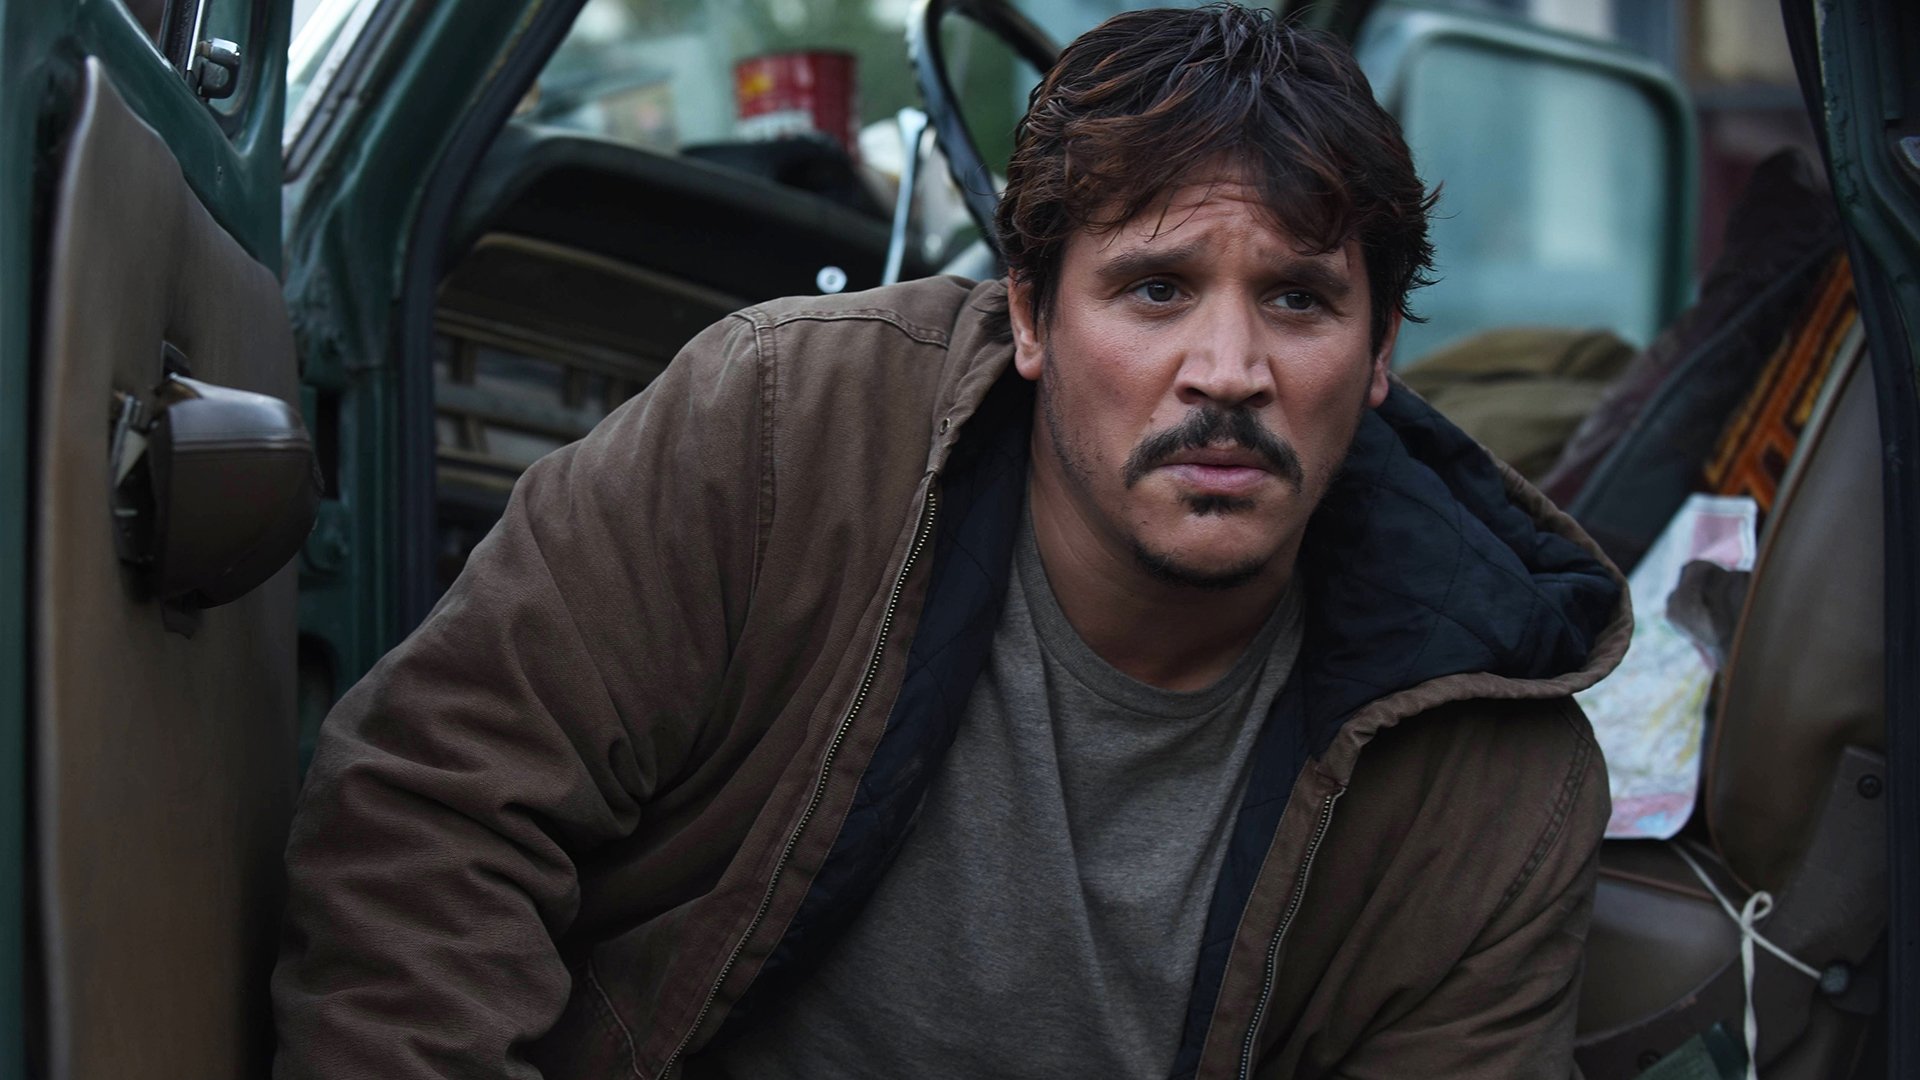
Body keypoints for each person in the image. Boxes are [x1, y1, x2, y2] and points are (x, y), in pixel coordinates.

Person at [273, 5, 1629, 1078]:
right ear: (1030, 316)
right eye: (1156, 289)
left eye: (1298, 301)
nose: (1228, 369)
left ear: (1379, 354)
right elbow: (436, 814)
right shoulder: (780, 434)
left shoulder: (1490, 785)